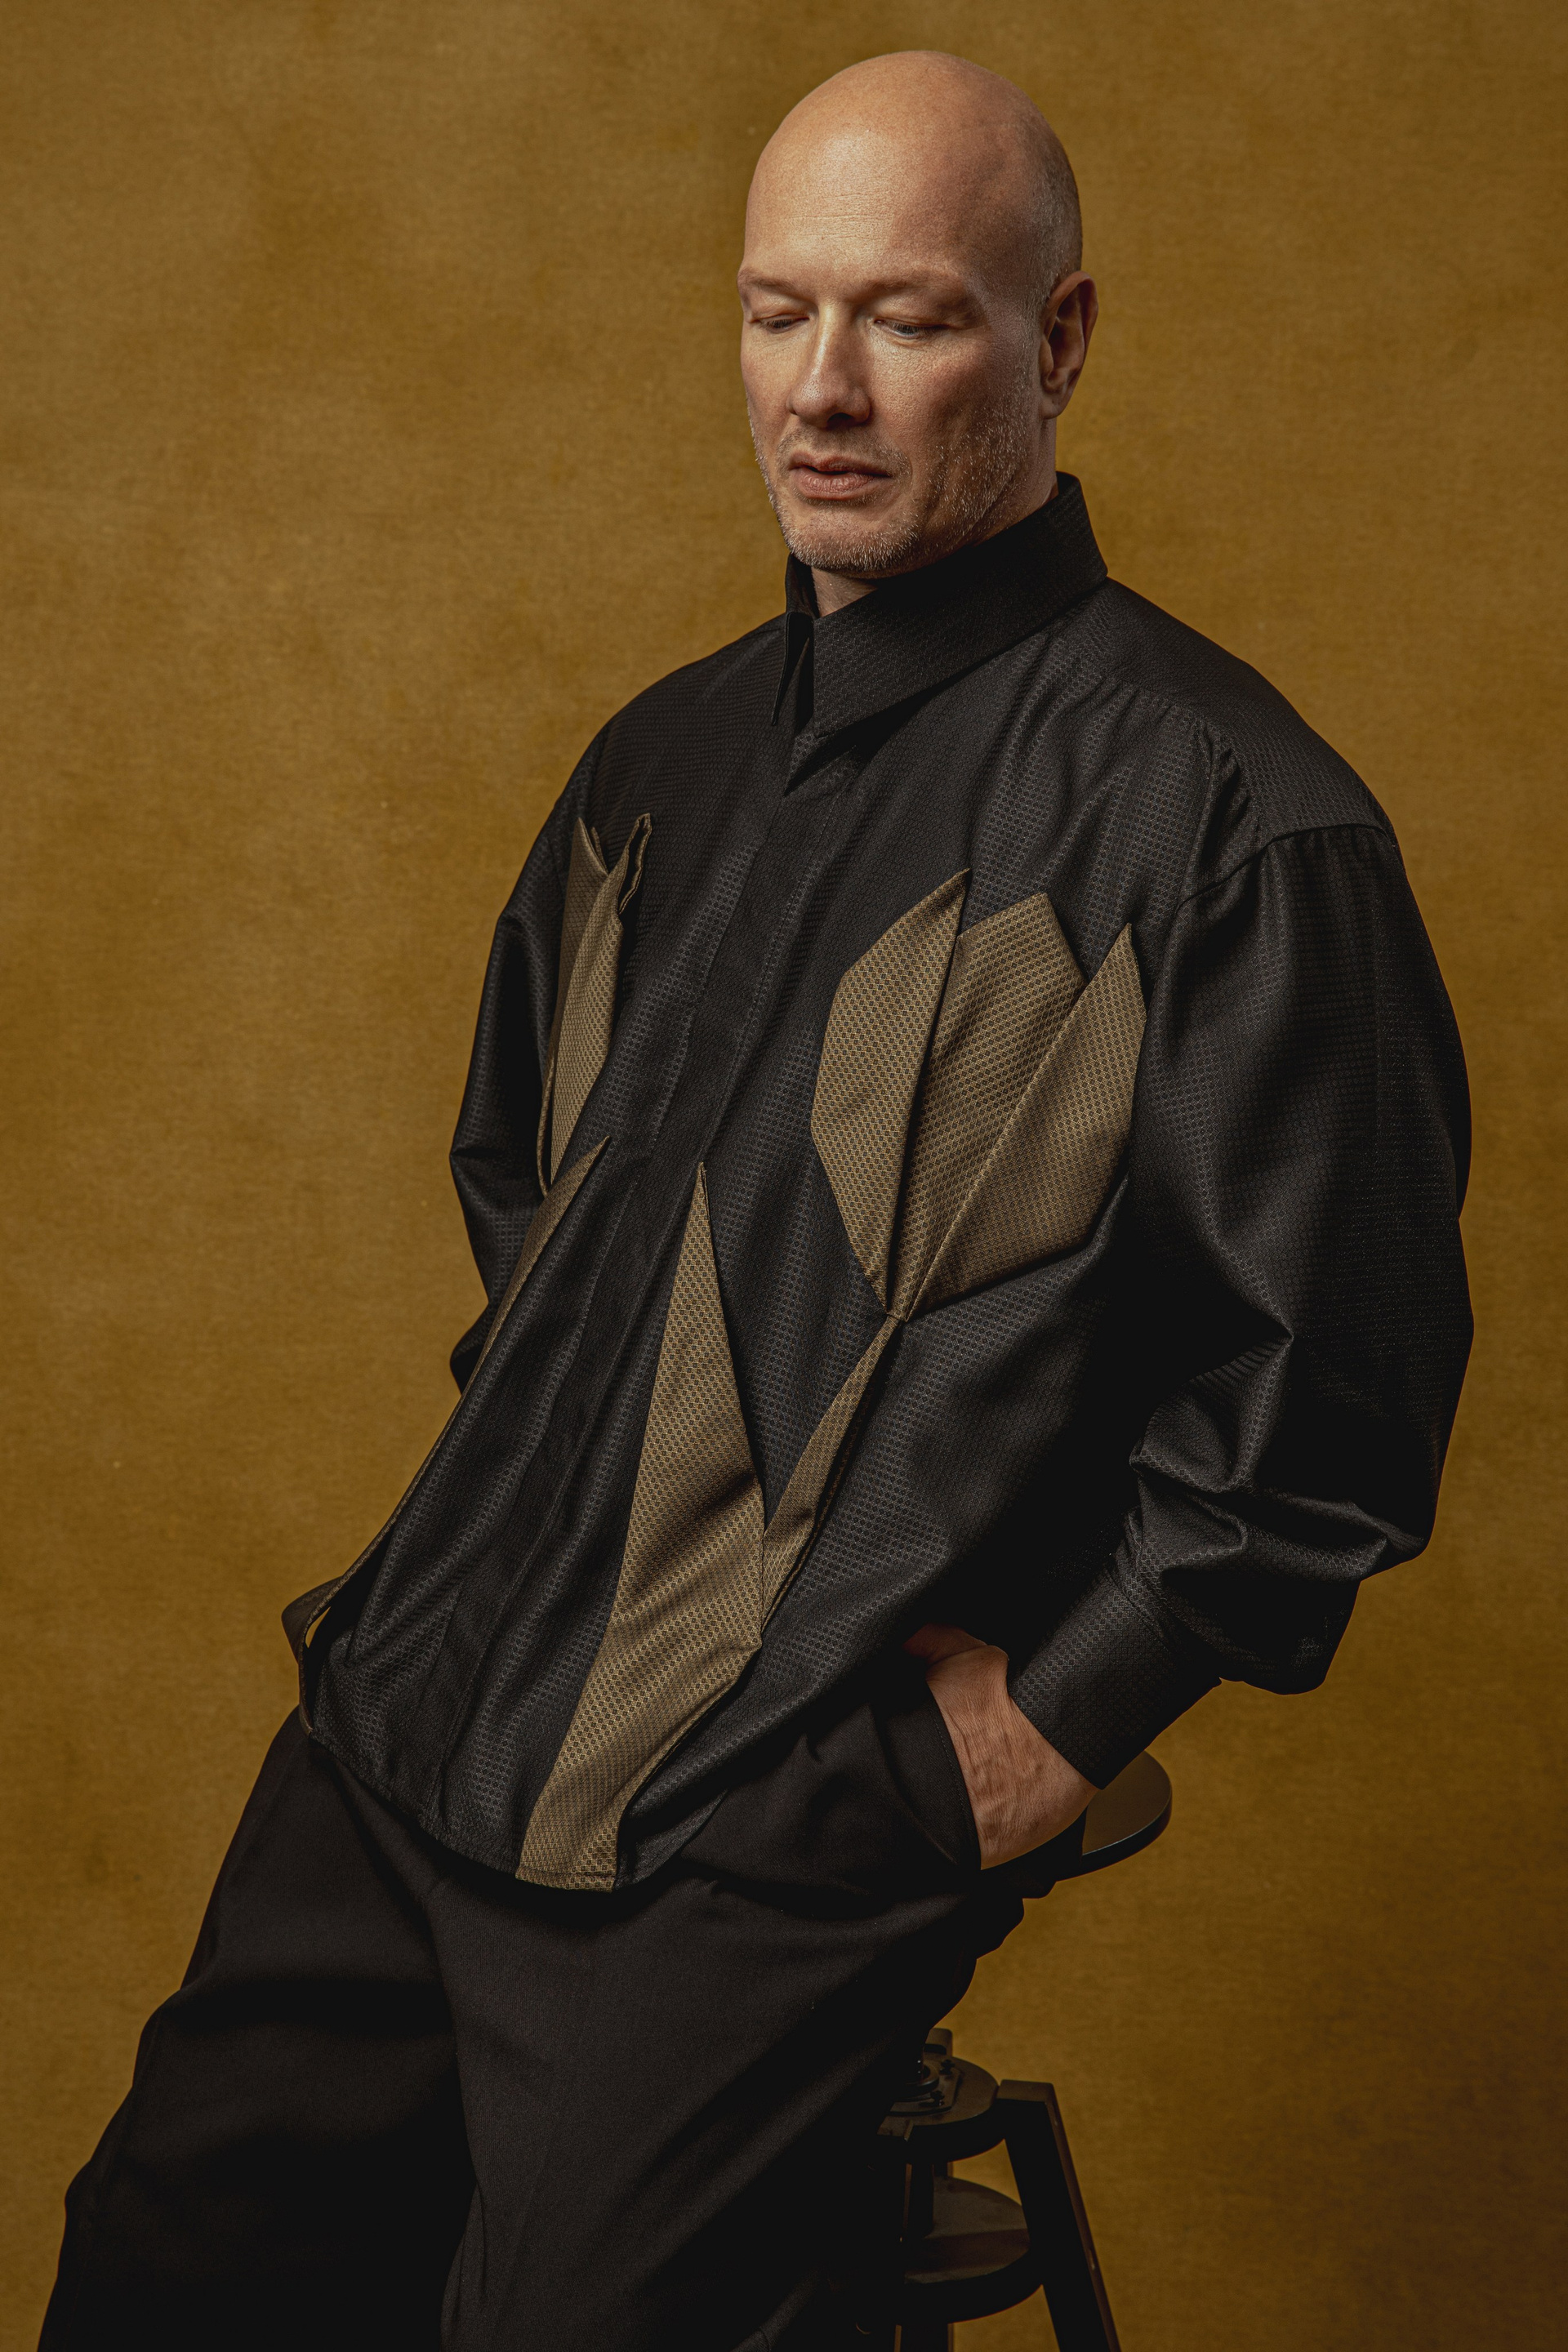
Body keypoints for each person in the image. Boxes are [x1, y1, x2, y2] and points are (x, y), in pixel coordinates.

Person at [41, 48, 1472, 2352]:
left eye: (905, 318)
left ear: (1058, 340)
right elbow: (524, 1199)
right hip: (417, 1710)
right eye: (775, 310)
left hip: (771, 1808)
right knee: (154, 2291)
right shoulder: (659, 760)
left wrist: (1029, 1738)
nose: (821, 388)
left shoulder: (1233, 823)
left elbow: (1334, 1399)